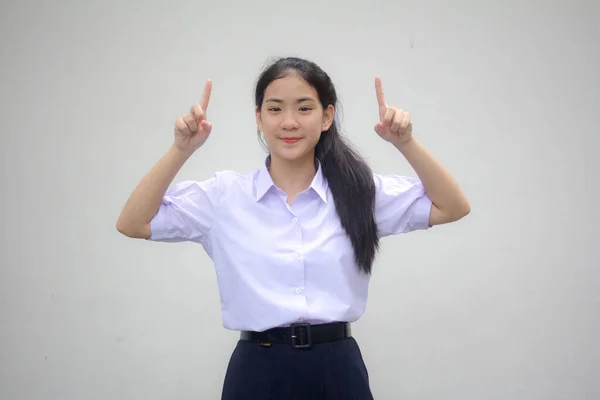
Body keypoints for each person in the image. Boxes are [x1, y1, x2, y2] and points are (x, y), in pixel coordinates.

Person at [116, 56, 470, 399]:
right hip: (257, 370)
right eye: (274, 109)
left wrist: (404, 142)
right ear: (258, 117)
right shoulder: (225, 197)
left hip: (337, 368)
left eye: (304, 108)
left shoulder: (360, 193)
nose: (289, 122)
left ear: (327, 116)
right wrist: (181, 149)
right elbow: (133, 222)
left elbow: (452, 206)